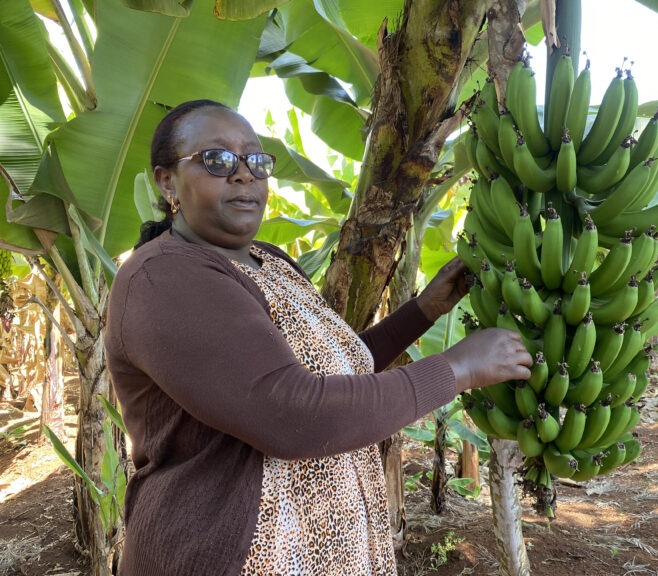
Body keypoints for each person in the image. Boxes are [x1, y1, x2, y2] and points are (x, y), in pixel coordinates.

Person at [104, 99, 533, 576]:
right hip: (236, 555)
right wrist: (456, 369)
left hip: (323, 548)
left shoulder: (267, 261)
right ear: (167, 182)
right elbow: (292, 412)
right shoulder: (164, 277)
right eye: (217, 160)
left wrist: (423, 311)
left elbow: (334, 368)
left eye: (256, 160)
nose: (244, 174)